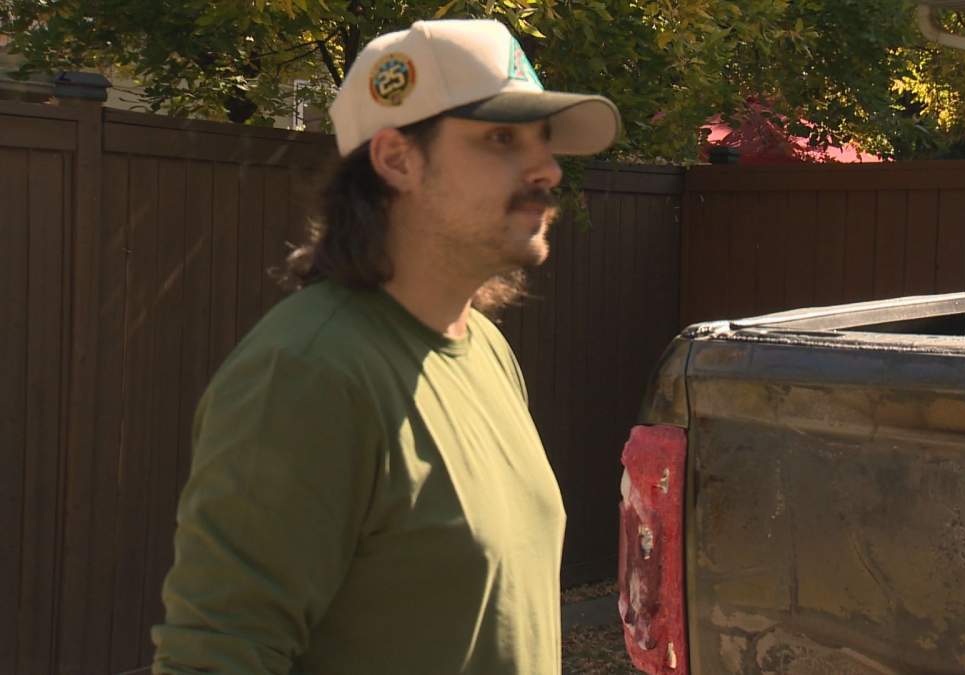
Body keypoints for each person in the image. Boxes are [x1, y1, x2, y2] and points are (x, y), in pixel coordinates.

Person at [151, 18, 621, 674]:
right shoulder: (307, 373)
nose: (546, 169)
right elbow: (217, 654)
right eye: (502, 138)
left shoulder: (484, 347)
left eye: (543, 143)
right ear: (397, 158)